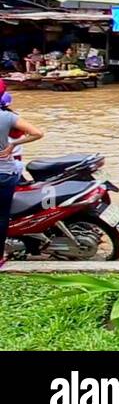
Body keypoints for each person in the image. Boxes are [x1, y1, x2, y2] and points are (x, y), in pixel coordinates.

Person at [0, 80, 45, 268]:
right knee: (2, 216)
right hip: (5, 173)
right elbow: (37, 133)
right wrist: (13, 145)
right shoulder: (7, 117)